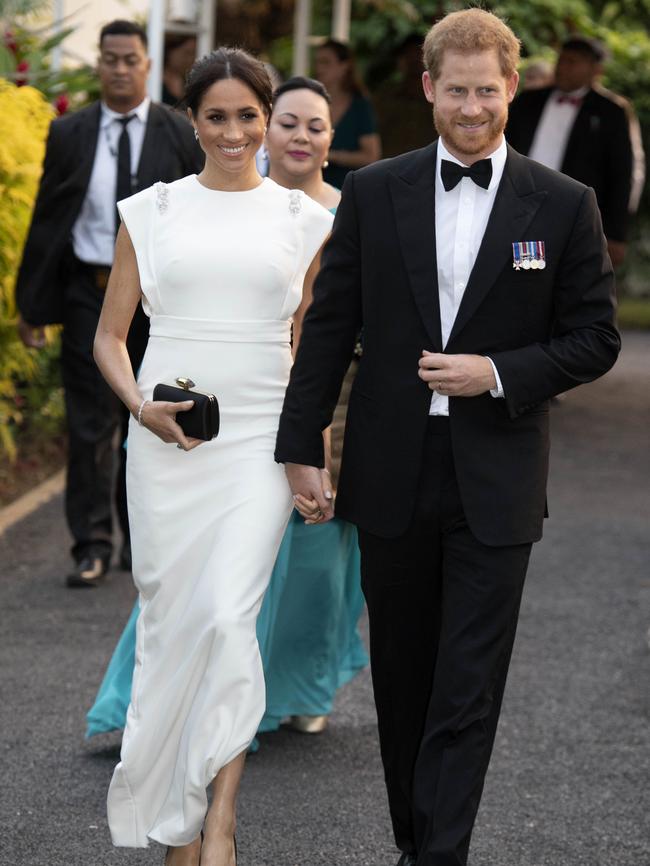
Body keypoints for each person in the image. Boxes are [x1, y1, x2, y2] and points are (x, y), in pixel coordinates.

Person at [274, 9, 620, 866]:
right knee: (405, 680)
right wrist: (300, 442)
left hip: (495, 478)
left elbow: (595, 338)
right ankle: (415, 843)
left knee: (467, 687)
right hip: (392, 471)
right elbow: (329, 326)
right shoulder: (373, 190)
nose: (473, 107)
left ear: (513, 88)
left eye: (488, 90)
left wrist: (495, 372)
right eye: (457, 90)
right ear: (431, 88)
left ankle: (440, 856)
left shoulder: (564, 203)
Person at [93, 47, 333, 865]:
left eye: (248, 116)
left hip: (259, 449)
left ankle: (215, 821)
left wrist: (311, 454)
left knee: (230, 619)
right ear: (192, 121)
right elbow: (110, 338)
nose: (234, 132)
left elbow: (307, 351)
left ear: (267, 119)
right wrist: (139, 408)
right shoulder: (150, 212)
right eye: (217, 116)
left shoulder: (306, 223)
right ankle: (174, 813)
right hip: (165, 447)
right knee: (175, 625)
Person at [15, 19, 201, 587]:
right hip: (86, 296)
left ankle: (139, 541)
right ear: (98, 64)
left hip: (157, 303)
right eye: (110, 58)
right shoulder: (69, 132)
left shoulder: (176, 130)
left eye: (131, 59)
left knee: (148, 419)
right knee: (89, 424)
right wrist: (32, 304)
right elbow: (49, 217)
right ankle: (90, 545)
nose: (120, 68)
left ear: (148, 65)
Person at [507, 35, 637, 267]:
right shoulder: (528, 101)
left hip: (577, 213)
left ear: (594, 70)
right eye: (561, 60)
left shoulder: (611, 111)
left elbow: (621, 173)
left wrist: (617, 233)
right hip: (526, 209)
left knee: (573, 281)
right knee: (527, 274)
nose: (562, 67)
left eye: (572, 62)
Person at [314, 38, 381, 188]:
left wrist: (330, 155)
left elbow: (371, 155)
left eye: (326, 62)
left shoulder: (360, 105)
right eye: (317, 62)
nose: (319, 67)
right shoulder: (310, 101)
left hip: (348, 189)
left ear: (344, 66)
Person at [375, 33, 438, 158]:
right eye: (408, 55)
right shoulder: (385, 94)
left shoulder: (440, 95)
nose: (413, 61)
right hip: (390, 165)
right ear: (400, 61)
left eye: (418, 56)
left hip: (430, 164)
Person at [161, 31, 197, 106]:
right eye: (187, 53)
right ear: (170, 51)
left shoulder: (189, 81)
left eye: (193, 54)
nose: (191, 59)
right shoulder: (154, 80)